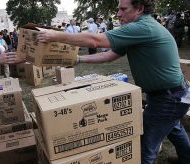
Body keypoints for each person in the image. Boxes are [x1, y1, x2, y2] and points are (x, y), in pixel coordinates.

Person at [38, 0, 190, 164]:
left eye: (123, 9)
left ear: (139, 9)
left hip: (169, 98)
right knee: (174, 128)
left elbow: (95, 41)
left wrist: (56, 35)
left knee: (145, 145)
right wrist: (78, 59)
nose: (118, 14)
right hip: (170, 94)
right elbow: (108, 55)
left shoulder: (142, 27)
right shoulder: (138, 30)